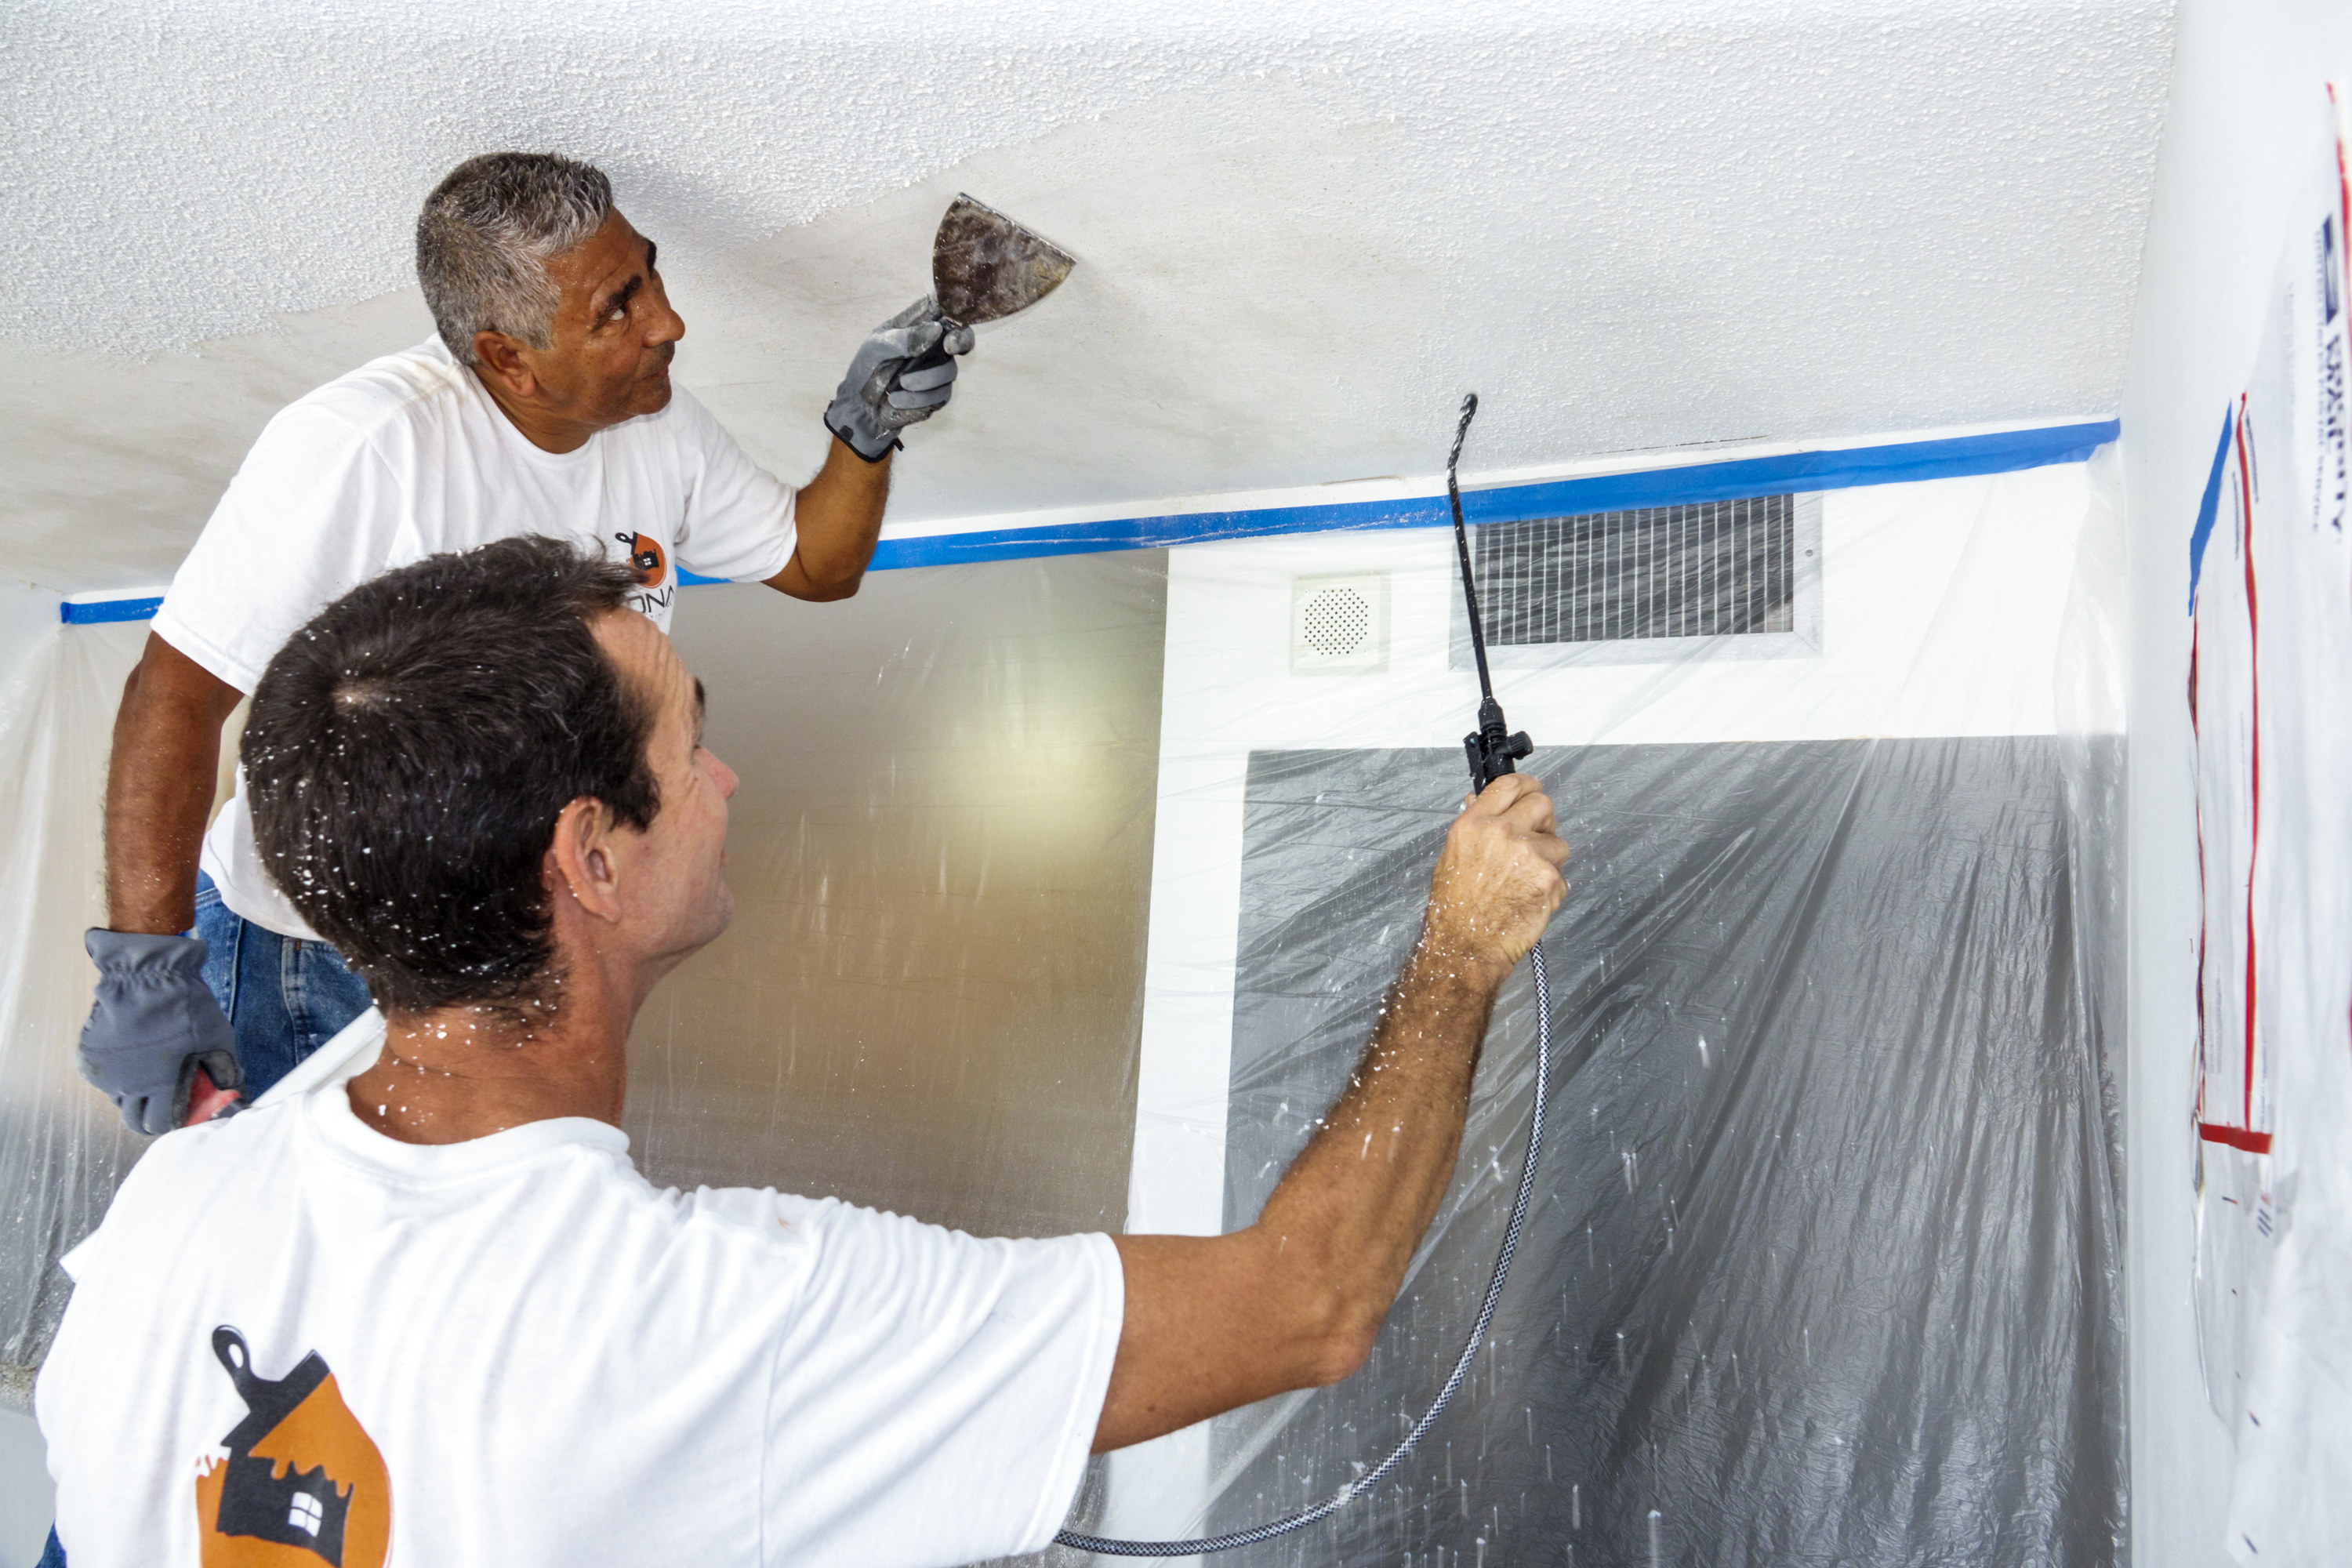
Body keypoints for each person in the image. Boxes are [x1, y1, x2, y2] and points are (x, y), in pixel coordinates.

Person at [36, 537, 1570, 1566]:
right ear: (592, 857)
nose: (728, 774)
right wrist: (1459, 948)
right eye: (687, 742)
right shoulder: (694, 1326)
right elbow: (1306, 1303)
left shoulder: (162, 1226)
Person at [77, 151, 971, 1135]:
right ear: (509, 357)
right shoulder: (367, 448)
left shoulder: (656, 423)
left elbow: (814, 562)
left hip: (511, 955)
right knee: (316, 1259)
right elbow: (176, 691)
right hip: (313, 959)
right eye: (617, 310)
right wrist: (146, 970)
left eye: (650, 276)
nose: (668, 323)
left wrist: (865, 433)